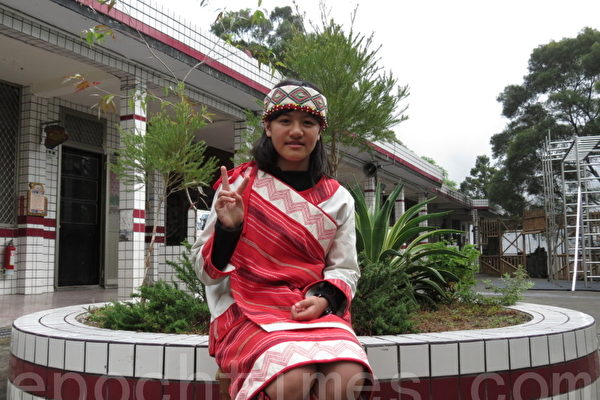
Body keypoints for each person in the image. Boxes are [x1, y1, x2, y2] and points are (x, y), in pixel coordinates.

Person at [192, 78, 373, 400]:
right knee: (292, 378)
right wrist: (229, 230)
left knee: (346, 376)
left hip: (311, 307)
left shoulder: (338, 198)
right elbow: (204, 272)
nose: (296, 131)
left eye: (308, 123)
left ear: (320, 131)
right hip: (245, 307)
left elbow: (345, 268)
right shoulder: (238, 186)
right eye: (285, 121)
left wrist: (323, 299)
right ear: (268, 127)